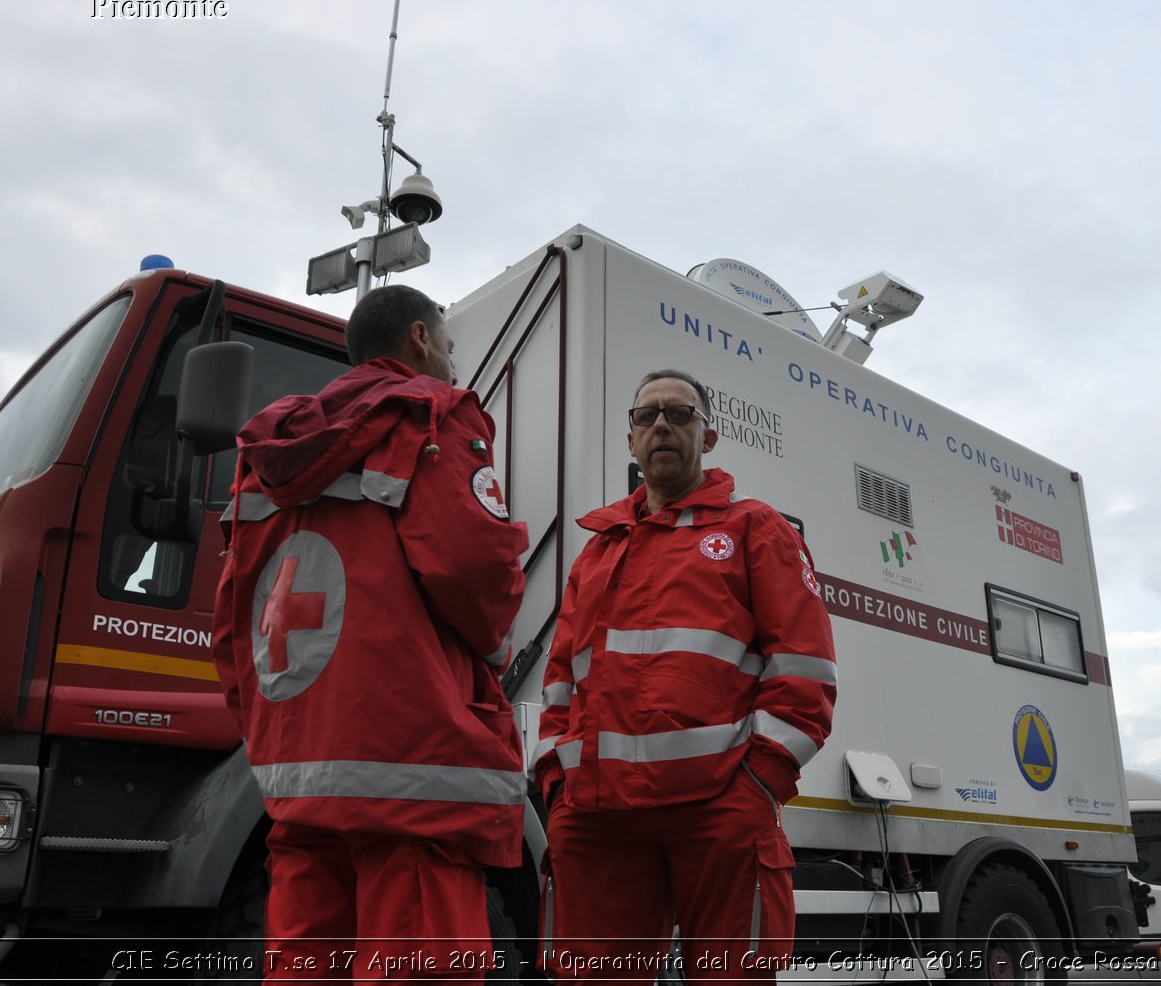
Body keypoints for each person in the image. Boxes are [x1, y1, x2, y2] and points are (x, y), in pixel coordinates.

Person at [213, 285, 529, 982]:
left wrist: (270, 729)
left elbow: (231, 615)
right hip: (411, 765)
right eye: (448, 344)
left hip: (298, 766)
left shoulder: (268, 452)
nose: (450, 361)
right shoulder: (430, 416)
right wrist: (491, 653)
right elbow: (475, 567)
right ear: (419, 338)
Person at [534, 368, 837, 984]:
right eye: (647, 416)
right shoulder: (598, 550)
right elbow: (561, 678)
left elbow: (804, 669)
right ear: (630, 441)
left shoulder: (755, 529)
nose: (663, 426)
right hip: (598, 816)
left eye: (680, 414)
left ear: (710, 435)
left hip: (719, 808)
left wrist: (759, 781)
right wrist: (555, 784)